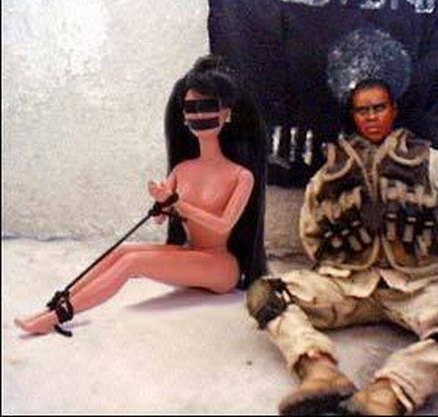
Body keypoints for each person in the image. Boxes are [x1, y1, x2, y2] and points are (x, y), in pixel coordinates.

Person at [246, 78, 438, 415]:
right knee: (266, 295)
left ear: (393, 110)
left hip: (412, 289)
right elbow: (311, 232)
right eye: (363, 110)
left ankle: (389, 392)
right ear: (353, 116)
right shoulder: (331, 172)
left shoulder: (433, 162)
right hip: (347, 286)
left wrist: (420, 245)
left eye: (379, 107)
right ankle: (319, 371)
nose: (372, 116)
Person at [15, 55, 267, 336]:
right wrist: (161, 204)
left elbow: (223, 225)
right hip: (191, 253)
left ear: (226, 113)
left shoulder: (241, 175)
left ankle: (59, 316)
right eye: (190, 108)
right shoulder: (182, 170)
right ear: (184, 117)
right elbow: (160, 219)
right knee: (124, 251)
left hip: (220, 265)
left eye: (207, 107)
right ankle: (58, 303)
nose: (198, 115)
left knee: (134, 262)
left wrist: (179, 204)